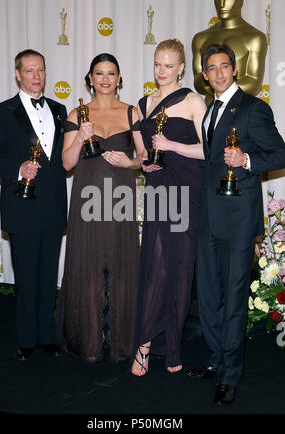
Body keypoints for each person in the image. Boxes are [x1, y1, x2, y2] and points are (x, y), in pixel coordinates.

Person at [185, 44, 285, 404]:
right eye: (211, 68)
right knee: (209, 295)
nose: (219, 73)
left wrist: (245, 159)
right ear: (205, 75)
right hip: (209, 214)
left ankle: (230, 374)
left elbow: (279, 153)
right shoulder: (210, 109)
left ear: (235, 68)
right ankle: (216, 359)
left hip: (240, 218)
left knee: (234, 296)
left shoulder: (254, 109)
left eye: (224, 66)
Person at [59, 53, 144, 363]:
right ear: (90, 79)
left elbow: (145, 158)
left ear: (119, 78)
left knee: (122, 265)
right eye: (99, 73)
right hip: (86, 200)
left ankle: (122, 343)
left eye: (111, 73)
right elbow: (67, 163)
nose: (105, 78)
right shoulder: (77, 113)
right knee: (89, 265)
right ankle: (90, 342)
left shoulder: (132, 112)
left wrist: (130, 161)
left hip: (120, 199)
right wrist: (80, 137)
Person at [0, 49, 68, 360]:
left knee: (48, 276)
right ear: (18, 74)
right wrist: (17, 169)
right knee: (26, 276)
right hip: (22, 205)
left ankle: (47, 337)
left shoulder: (61, 110)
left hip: (53, 204)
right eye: (30, 71)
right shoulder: (0, 112)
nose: (36, 76)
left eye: (41, 70)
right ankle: (26, 339)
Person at [131, 39, 206, 375]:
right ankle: (145, 344)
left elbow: (210, 150)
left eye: (168, 65)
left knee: (178, 267)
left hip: (187, 189)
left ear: (181, 68)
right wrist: (144, 162)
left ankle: (171, 347)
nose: (161, 71)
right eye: (157, 65)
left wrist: (172, 144)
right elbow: (146, 153)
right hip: (159, 189)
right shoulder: (145, 103)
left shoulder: (193, 101)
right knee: (156, 265)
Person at [192, 0, 267, 104]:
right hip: (208, 111)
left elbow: (254, 84)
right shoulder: (201, 38)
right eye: (218, 0)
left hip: (240, 111)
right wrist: (220, 86)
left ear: (240, 2)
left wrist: (217, 86)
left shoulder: (255, 38)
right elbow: (198, 81)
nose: (222, 4)